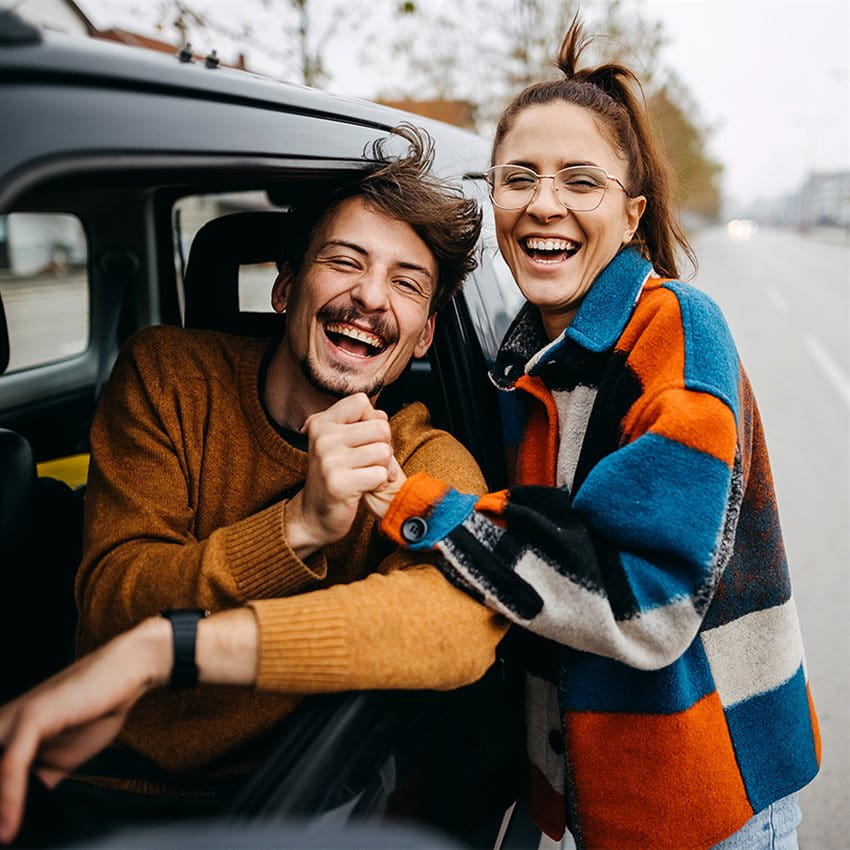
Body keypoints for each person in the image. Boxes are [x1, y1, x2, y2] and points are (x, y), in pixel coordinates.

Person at [376, 21, 821, 850]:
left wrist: (412, 503)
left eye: (582, 181)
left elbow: (646, 599)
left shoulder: (679, 333)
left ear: (631, 213)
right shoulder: (522, 352)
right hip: (586, 802)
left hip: (704, 801)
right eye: (519, 178)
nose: (545, 203)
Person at [0, 125, 509, 844]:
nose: (369, 297)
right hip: (84, 776)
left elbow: (459, 627)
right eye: (344, 261)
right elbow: (113, 597)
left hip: (275, 802)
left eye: (405, 282)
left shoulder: (422, 457)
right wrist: (298, 527)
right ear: (285, 286)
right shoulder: (168, 376)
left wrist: (167, 649)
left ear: (422, 336)